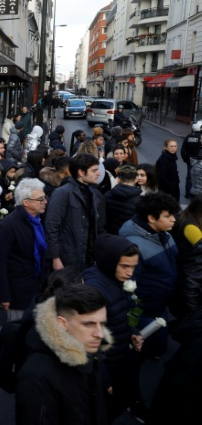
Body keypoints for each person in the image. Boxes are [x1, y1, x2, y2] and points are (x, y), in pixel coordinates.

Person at [15, 284, 110, 425]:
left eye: (101, 324)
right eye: (88, 324)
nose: (100, 334)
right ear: (62, 323)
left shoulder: (89, 350)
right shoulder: (37, 376)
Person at [0, 178, 48, 363]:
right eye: (40, 199)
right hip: (16, 287)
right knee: (17, 326)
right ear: (26, 202)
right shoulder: (10, 225)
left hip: (32, 282)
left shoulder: (35, 220)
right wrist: (4, 295)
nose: (45, 202)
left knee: (24, 323)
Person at [82, 235, 145, 422]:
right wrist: (104, 379)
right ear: (109, 262)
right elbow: (89, 343)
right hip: (106, 363)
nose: (130, 273)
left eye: (133, 267)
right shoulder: (94, 291)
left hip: (120, 354)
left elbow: (125, 311)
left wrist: (134, 333)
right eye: (125, 266)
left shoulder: (115, 278)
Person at [119, 191, 180, 358]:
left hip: (160, 306)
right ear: (152, 218)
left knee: (160, 348)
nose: (174, 219)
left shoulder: (164, 234)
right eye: (168, 216)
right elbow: (127, 286)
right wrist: (133, 324)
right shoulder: (133, 246)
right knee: (142, 354)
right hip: (145, 312)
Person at [44, 154, 106, 273]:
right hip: (68, 258)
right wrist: (55, 258)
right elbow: (51, 227)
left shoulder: (92, 193)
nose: (98, 174)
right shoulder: (62, 193)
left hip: (87, 257)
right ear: (81, 172)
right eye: (94, 170)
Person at [103, 164, 142, 235]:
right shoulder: (140, 200)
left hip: (109, 235)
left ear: (118, 179)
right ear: (136, 179)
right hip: (128, 236)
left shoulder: (107, 195)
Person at [181, 120, 202, 199]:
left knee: (189, 176)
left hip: (190, 160)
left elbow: (183, 150)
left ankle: (188, 193)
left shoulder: (188, 137)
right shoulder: (201, 138)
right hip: (200, 161)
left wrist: (186, 159)